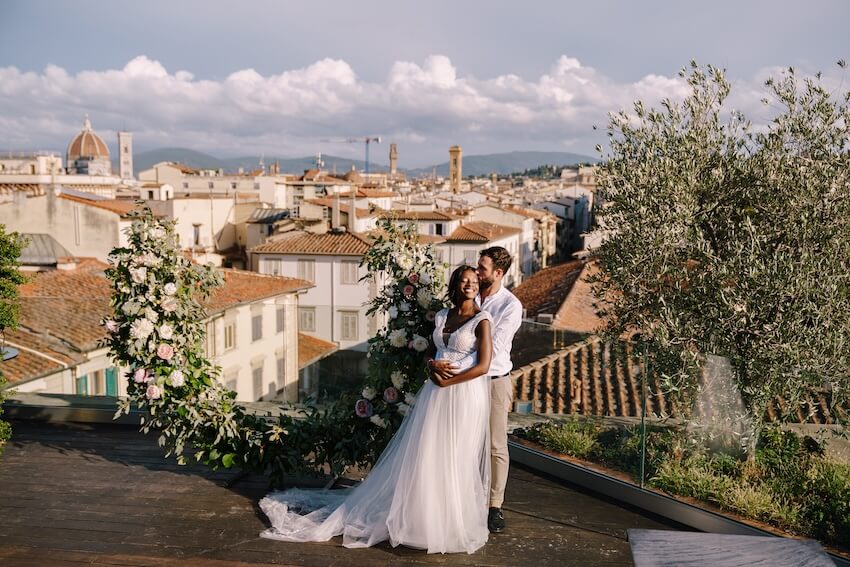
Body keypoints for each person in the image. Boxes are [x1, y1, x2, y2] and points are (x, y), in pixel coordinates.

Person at [259, 265, 493, 554]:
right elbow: (433, 350)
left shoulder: (482, 320)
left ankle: (449, 525)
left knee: (455, 455)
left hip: (463, 394)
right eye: (464, 280)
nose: (469, 284)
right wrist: (431, 367)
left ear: (478, 286)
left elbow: (484, 365)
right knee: (428, 453)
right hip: (435, 393)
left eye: (474, 280)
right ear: (456, 284)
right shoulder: (444, 315)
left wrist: (451, 381)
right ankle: (420, 519)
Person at [431, 246, 522, 533]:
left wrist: (449, 368)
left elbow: (490, 352)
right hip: (462, 382)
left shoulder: (510, 306)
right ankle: (459, 499)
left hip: (492, 380)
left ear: (497, 273)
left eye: (482, 268)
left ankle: (494, 506)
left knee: (495, 444)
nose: (477, 272)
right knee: (460, 441)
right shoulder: (469, 294)